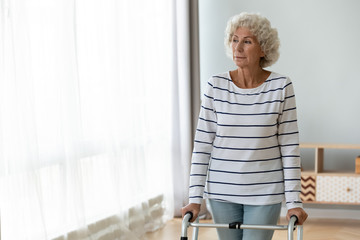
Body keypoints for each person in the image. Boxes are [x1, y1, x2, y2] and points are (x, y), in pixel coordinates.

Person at [181, 12, 308, 240]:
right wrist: (194, 199)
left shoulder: (281, 87)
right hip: (221, 193)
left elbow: (289, 149)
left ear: (263, 49)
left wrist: (294, 202)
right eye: (235, 40)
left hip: (264, 193)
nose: (237, 48)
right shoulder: (216, 86)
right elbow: (202, 146)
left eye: (247, 41)